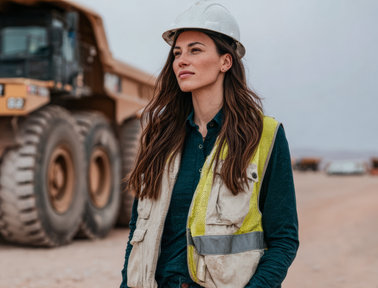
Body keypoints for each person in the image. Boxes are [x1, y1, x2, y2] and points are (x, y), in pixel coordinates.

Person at [120, 1, 299, 287]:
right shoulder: (158, 135)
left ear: (225, 61)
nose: (181, 60)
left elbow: (284, 239)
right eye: (177, 53)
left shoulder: (264, 135)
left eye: (195, 50)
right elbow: (137, 231)